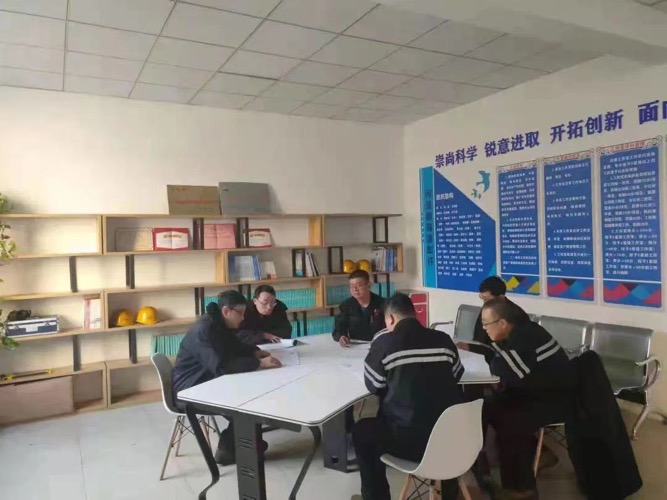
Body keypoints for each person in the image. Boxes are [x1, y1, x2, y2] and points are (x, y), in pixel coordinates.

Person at [351, 293, 465, 500]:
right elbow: (457, 375)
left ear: (390, 319)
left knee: (362, 431)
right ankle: (450, 492)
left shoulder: (384, 343)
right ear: (415, 314)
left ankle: (375, 497)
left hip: (408, 442)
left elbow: (374, 385)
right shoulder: (443, 340)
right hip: (449, 439)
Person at [172, 290, 282, 465]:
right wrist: (259, 363)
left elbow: (234, 346)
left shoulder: (219, 324)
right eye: (240, 313)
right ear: (226, 311)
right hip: (190, 389)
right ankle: (235, 450)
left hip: (206, 378)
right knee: (246, 402)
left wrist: (254, 352)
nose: (243, 318)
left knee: (250, 394)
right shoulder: (205, 330)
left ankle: (240, 447)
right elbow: (222, 366)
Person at [480, 298, 574, 500]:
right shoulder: (522, 331)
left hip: (554, 400)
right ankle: (487, 471)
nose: (484, 329)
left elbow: (502, 368)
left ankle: (522, 489)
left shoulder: (524, 337)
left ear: (502, 323)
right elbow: (508, 371)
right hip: (535, 393)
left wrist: (495, 362)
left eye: (486, 324)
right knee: (487, 407)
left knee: (509, 419)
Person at [332, 270, 386, 347]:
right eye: (351, 286)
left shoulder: (383, 303)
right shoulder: (346, 305)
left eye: (359, 285)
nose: (355, 289)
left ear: (369, 285)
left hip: (380, 345)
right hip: (356, 346)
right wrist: (341, 337)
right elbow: (338, 329)